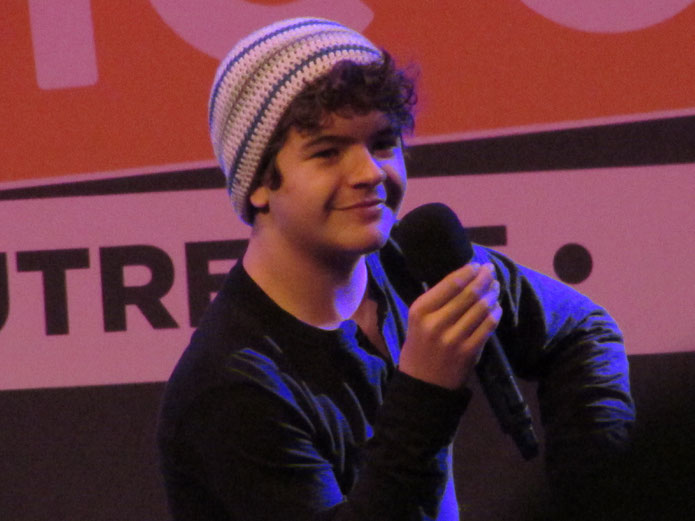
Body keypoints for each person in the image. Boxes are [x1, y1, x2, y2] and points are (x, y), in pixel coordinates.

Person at [157, 17, 634, 520]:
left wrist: (592, 494)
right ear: (258, 184)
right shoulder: (231, 390)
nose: (369, 174)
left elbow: (583, 332)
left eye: (383, 143)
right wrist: (425, 393)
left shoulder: (410, 264)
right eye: (327, 152)